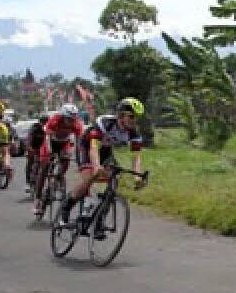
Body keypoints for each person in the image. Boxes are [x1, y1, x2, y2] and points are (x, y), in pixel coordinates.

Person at [59, 97, 146, 228]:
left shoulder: (134, 133)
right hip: (86, 146)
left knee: (114, 179)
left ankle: (99, 220)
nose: (135, 121)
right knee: (90, 176)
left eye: (137, 118)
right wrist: (97, 166)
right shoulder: (105, 123)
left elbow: (136, 157)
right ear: (121, 114)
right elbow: (93, 148)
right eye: (132, 116)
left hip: (105, 149)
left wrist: (137, 176)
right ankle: (68, 204)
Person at [33, 105, 83, 216]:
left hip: (64, 143)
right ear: (63, 116)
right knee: (44, 167)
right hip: (50, 142)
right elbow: (47, 137)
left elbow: (79, 143)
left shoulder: (77, 124)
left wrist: (79, 158)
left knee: (66, 161)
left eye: (72, 120)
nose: (70, 122)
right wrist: (50, 152)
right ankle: (37, 198)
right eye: (68, 119)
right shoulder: (55, 119)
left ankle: (58, 179)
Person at [25, 114, 49, 193]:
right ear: (40, 122)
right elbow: (29, 138)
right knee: (30, 162)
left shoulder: (48, 128)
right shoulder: (35, 128)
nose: (44, 124)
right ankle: (29, 182)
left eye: (46, 122)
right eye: (43, 122)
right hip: (33, 147)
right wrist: (29, 148)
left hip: (43, 148)